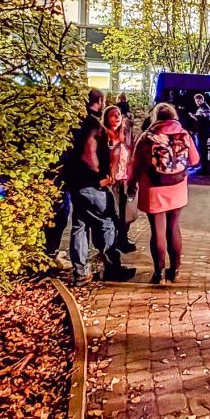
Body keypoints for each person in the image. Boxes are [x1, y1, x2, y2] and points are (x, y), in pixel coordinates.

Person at [64, 89, 136, 285]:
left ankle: (80, 272)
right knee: (107, 222)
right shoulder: (93, 124)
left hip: (75, 183)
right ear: (101, 101)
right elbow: (89, 154)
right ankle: (112, 268)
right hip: (91, 183)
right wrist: (100, 178)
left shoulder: (74, 123)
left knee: (80, 225)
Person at [129, 103, 199, 285]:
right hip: (177, 187)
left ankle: (158, 273)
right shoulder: (183, 134)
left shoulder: (147, 137)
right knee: (173, 227)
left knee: (157, 231)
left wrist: (131, 185)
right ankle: (174, 271)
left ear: (156, 117)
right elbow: (195, 160)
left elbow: (135, 164)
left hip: (153, 188)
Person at [102, 104, 136, 253]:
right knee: (112, 212)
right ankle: (112, 242)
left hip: (125, 178)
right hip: (111, 180)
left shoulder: (126, 133)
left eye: (118, 114)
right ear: (106, 118)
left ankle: (123, 238)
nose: (117, 117)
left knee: (126, 212)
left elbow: (131, 153)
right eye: (113, 115)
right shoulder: (103, 135)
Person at [191, 93, 210, 173]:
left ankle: (203, 167)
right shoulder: (200, 108)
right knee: (199, 149)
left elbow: (205, 119)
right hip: (199, 131)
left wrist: (194, 116)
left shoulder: (206, 108)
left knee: (202, 149)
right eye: (196, 101)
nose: (197, 103)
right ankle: (200, 165)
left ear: (202, 100)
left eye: (198, 101)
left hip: (203, 131)